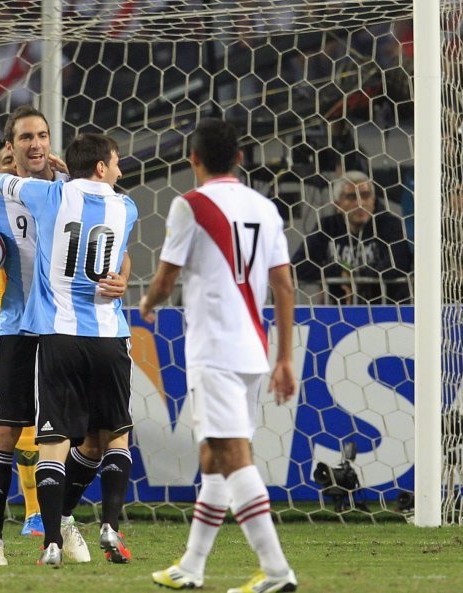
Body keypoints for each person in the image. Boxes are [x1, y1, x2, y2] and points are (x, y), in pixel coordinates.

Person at [0, 108, 128, 565]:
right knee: (4, 432)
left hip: (66, 330)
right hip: (19, 328)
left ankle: (60, 521)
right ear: (10, 146)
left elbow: (114, 250)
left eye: (43, 135)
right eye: (25, 136)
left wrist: (122, 279)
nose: (36, 144)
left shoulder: (73, 189)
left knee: (88, 438)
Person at [139, 118, 298, 592]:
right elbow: (284, 284)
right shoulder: (264, 207)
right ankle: (191, 566)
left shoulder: (191, 205)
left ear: (194, 160)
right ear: (241, 159)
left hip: (215, 351)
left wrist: (147, 304)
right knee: (212, 456)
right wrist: (285, 357)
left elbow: (166, 281)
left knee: (231, 456)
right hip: (253, 348)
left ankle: (277, 572)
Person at [293, 170, 411, 305]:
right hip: (340, 312)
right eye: (351, 197)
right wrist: (339, 273)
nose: (360, 203)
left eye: (366, 196)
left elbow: (398, 265)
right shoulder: (327, 227)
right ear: (338, 205)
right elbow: (298, 266)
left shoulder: (391, 225)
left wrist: (354, 278)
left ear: (373, 200)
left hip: (388, 311)